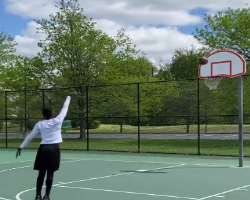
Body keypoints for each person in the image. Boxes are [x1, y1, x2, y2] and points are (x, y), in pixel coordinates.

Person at [16, 96, 71, 200]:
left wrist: (21, 147)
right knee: (50, 173)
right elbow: (65, 108)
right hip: (54, 149)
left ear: (43, 115)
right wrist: (68, 97)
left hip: (43, 149)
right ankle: (46, 196)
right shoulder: (58, 120)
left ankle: (37, 195)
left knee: (41, 173)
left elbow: (30, 136)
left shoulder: (39, 124)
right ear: (52, 114)